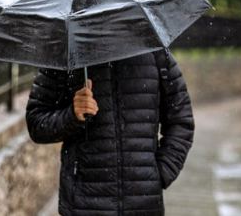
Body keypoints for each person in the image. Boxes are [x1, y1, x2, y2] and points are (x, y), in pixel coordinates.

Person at [26, 49, 194, 215]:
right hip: (84, 203)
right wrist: (72, 114)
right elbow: (36, 123)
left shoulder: (155, 52)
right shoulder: (67, 54)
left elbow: (181, 122)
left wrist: (160, 174)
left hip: (142, 204)